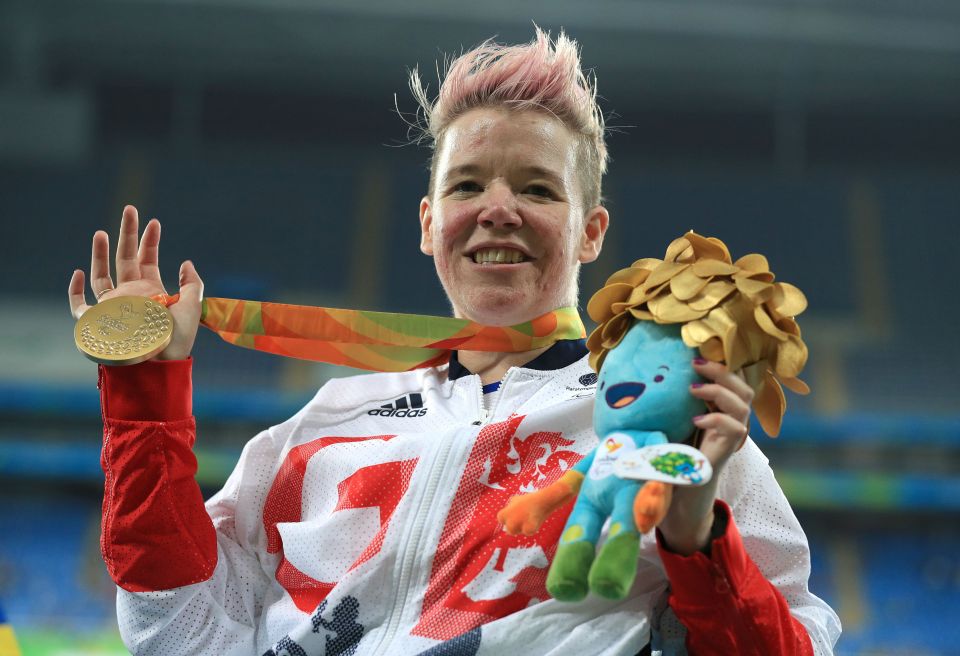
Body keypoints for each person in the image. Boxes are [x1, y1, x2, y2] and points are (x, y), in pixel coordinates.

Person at [67, 29, 840, 655]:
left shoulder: (665, 422)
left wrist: (695, 534)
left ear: (591, 230)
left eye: (537, 188)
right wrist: (144, 399)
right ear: (430, 222)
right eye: (467, 185)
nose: (498, 208)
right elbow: (179, 628)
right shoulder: (323, 425)